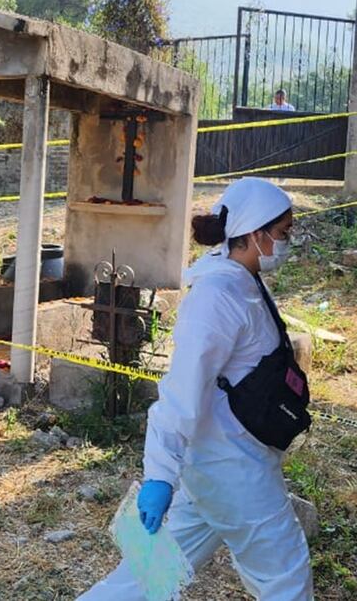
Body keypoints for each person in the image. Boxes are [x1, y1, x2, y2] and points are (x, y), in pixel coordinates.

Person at [79, 177, 313, 601]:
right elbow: (182, 391)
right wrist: (159, 476)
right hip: (234, 471)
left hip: (215, 467)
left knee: (148, 575)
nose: (287, 242)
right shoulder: (217, 296)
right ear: (256, 235)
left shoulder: (242, 280)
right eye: (282, 234)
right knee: (286, 577)